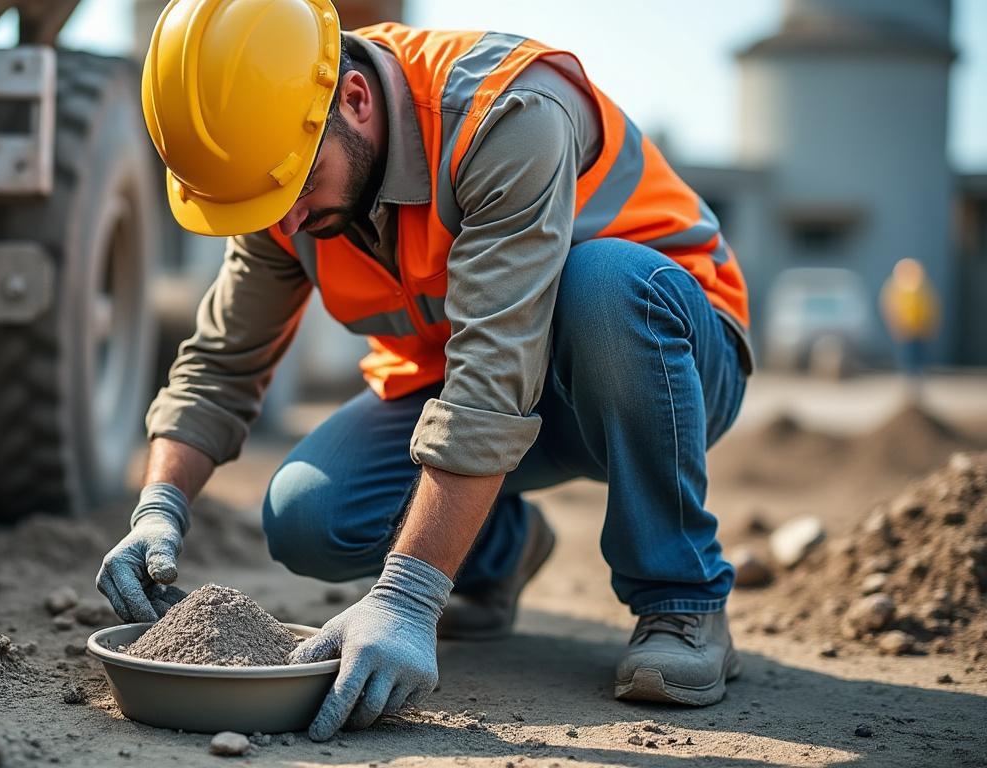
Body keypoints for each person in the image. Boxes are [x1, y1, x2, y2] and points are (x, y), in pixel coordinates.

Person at [99, 0, 753, 741]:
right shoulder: (284, 178)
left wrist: (408, 596)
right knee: (310, 513)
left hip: (666, 366)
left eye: (296, 190)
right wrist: (160, 505)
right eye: (263, 206)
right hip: (487, 386)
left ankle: (682, 596)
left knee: (604, 285)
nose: (284, 224)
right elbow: (221, 362)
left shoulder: (506, 114)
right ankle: (495, 552)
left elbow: (494, 372)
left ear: (354, 100)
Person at [879, 258, 940, 402]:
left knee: (919, 360)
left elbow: (932, 308)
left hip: (920, 330)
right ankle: (909, 389)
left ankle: (917, 390)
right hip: (906, 330)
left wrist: (931, 327)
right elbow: (889, 307)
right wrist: (896, 326)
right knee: (908, 360)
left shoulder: (922, 286)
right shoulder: (897, 286)